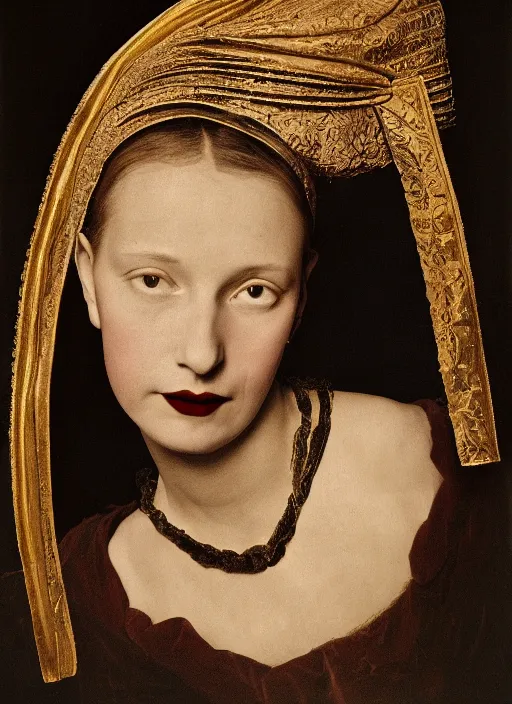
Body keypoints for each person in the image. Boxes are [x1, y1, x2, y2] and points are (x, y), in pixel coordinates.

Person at [4, 1, 511, 702]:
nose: (202, 351)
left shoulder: (451, 478)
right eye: (154, 281)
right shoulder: (62, 610)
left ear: (302, 292)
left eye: (252, 291)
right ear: (87, 281)